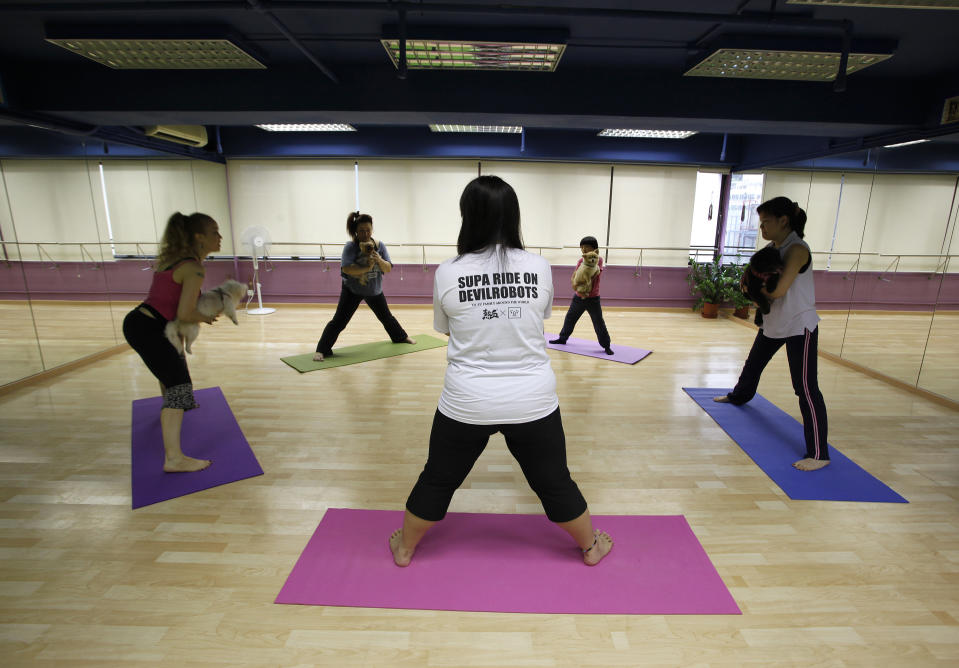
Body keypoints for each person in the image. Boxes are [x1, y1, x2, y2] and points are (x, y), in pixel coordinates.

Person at [389, 176, 613, 567]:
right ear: (514, 217)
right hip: (532, 400)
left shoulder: (447, 271)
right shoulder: (539, 267)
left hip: (466, 400)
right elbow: (537, 318)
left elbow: (445, 329)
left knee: (438, 478)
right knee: (554, 480)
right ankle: (590, 547)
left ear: (466, 217)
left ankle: (405, 548)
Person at [714, 196, 830, 472]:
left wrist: (751, 291)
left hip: (799, 326)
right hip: (774, 322)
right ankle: (740, 396)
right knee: (753, 365)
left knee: (805, 387)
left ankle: (819, 452)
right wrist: (748, 286)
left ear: (783, 221)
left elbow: (777, 291)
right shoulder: (773, 247)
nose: (762, 228)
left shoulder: (798, 250)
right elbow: (757, 278)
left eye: (766, 222)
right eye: (761, 222)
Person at [122, 212, 222, 473]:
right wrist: (207, 316)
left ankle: (173, 404)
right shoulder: (194, 268)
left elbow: (174, 312)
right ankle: (174, 459)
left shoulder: (176, 261)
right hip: (149, 327)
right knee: (180, 387)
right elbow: (186, 314)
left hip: (144, 323)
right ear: (199, 237)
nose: (220, 237)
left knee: (173, 374)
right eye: (215, 232)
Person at [313, 211, 415, 361]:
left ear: (372, 229)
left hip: (374, 290)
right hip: (352, 290)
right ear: (356, 231)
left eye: (368, 230)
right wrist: (366, 268)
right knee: (339, 321)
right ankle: (322, 350)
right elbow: (347, 269)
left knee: (387, 318)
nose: (365, 233)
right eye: (361, 231)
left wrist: (379, 260)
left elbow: (388, 268)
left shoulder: (380, 246)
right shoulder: (350, 247)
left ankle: (400, 337)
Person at [549, 235, 613, 355]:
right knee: (570, 318)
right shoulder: (580, 261)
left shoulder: (597, 259)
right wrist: (573, 283)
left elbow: (593, 274)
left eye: (586, 247)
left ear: (594, 249)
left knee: (598, 322)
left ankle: (606, 346)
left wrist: (582, 278)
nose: (583, 250)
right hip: (578, 297)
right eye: (581, 247)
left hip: (593, 298)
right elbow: (575, 274)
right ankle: (562, 339)